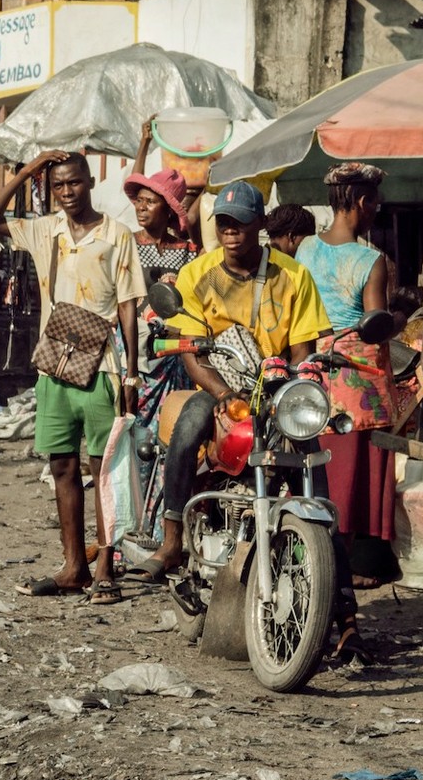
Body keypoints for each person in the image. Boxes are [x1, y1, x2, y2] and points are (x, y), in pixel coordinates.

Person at [0, 149, 142, 603]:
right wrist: (27, 172)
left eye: (74, 183)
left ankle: (105, 568)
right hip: (54, 362)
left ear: (90, 182)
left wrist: (131, 373)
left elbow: (128, 304)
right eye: (58, 185)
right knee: (62, 466)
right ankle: (74, 567)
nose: (67, 192)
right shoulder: (45, 230)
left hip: (103, 365)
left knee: (103, 471)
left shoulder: (116, 234)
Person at [146, 180, 331, 578]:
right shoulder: (197, 273)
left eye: (240, 222)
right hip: (217, 385)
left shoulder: (294, 275)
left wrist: (294, 385)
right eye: (224, 222)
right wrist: (225, 394)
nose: (230, 230)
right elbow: (192, 353)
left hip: (276, 389)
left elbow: (302, 347)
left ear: (261, 223)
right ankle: (172, 536)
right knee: (188, 426)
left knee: (310, 451)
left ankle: (328, 552)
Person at [295, 163, 396, 586]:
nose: (375, 210)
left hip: (312, 368)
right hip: (355, 373)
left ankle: (316, 554)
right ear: (360, 202)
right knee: (356, 471)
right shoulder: (371, 260)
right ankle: (350, 561)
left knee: (323, 467)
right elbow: (374, 323)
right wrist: (399, 315)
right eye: (373, 202)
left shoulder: (304, 249)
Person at [124, 165, 198, 429]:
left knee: (173, 427)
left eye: (150, 202)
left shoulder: (189, 250)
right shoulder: (126, 244)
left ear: (168, 209)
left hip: (174, 353)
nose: (141, 207)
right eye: (139, 200)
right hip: (137, 352)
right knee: (136, 431)